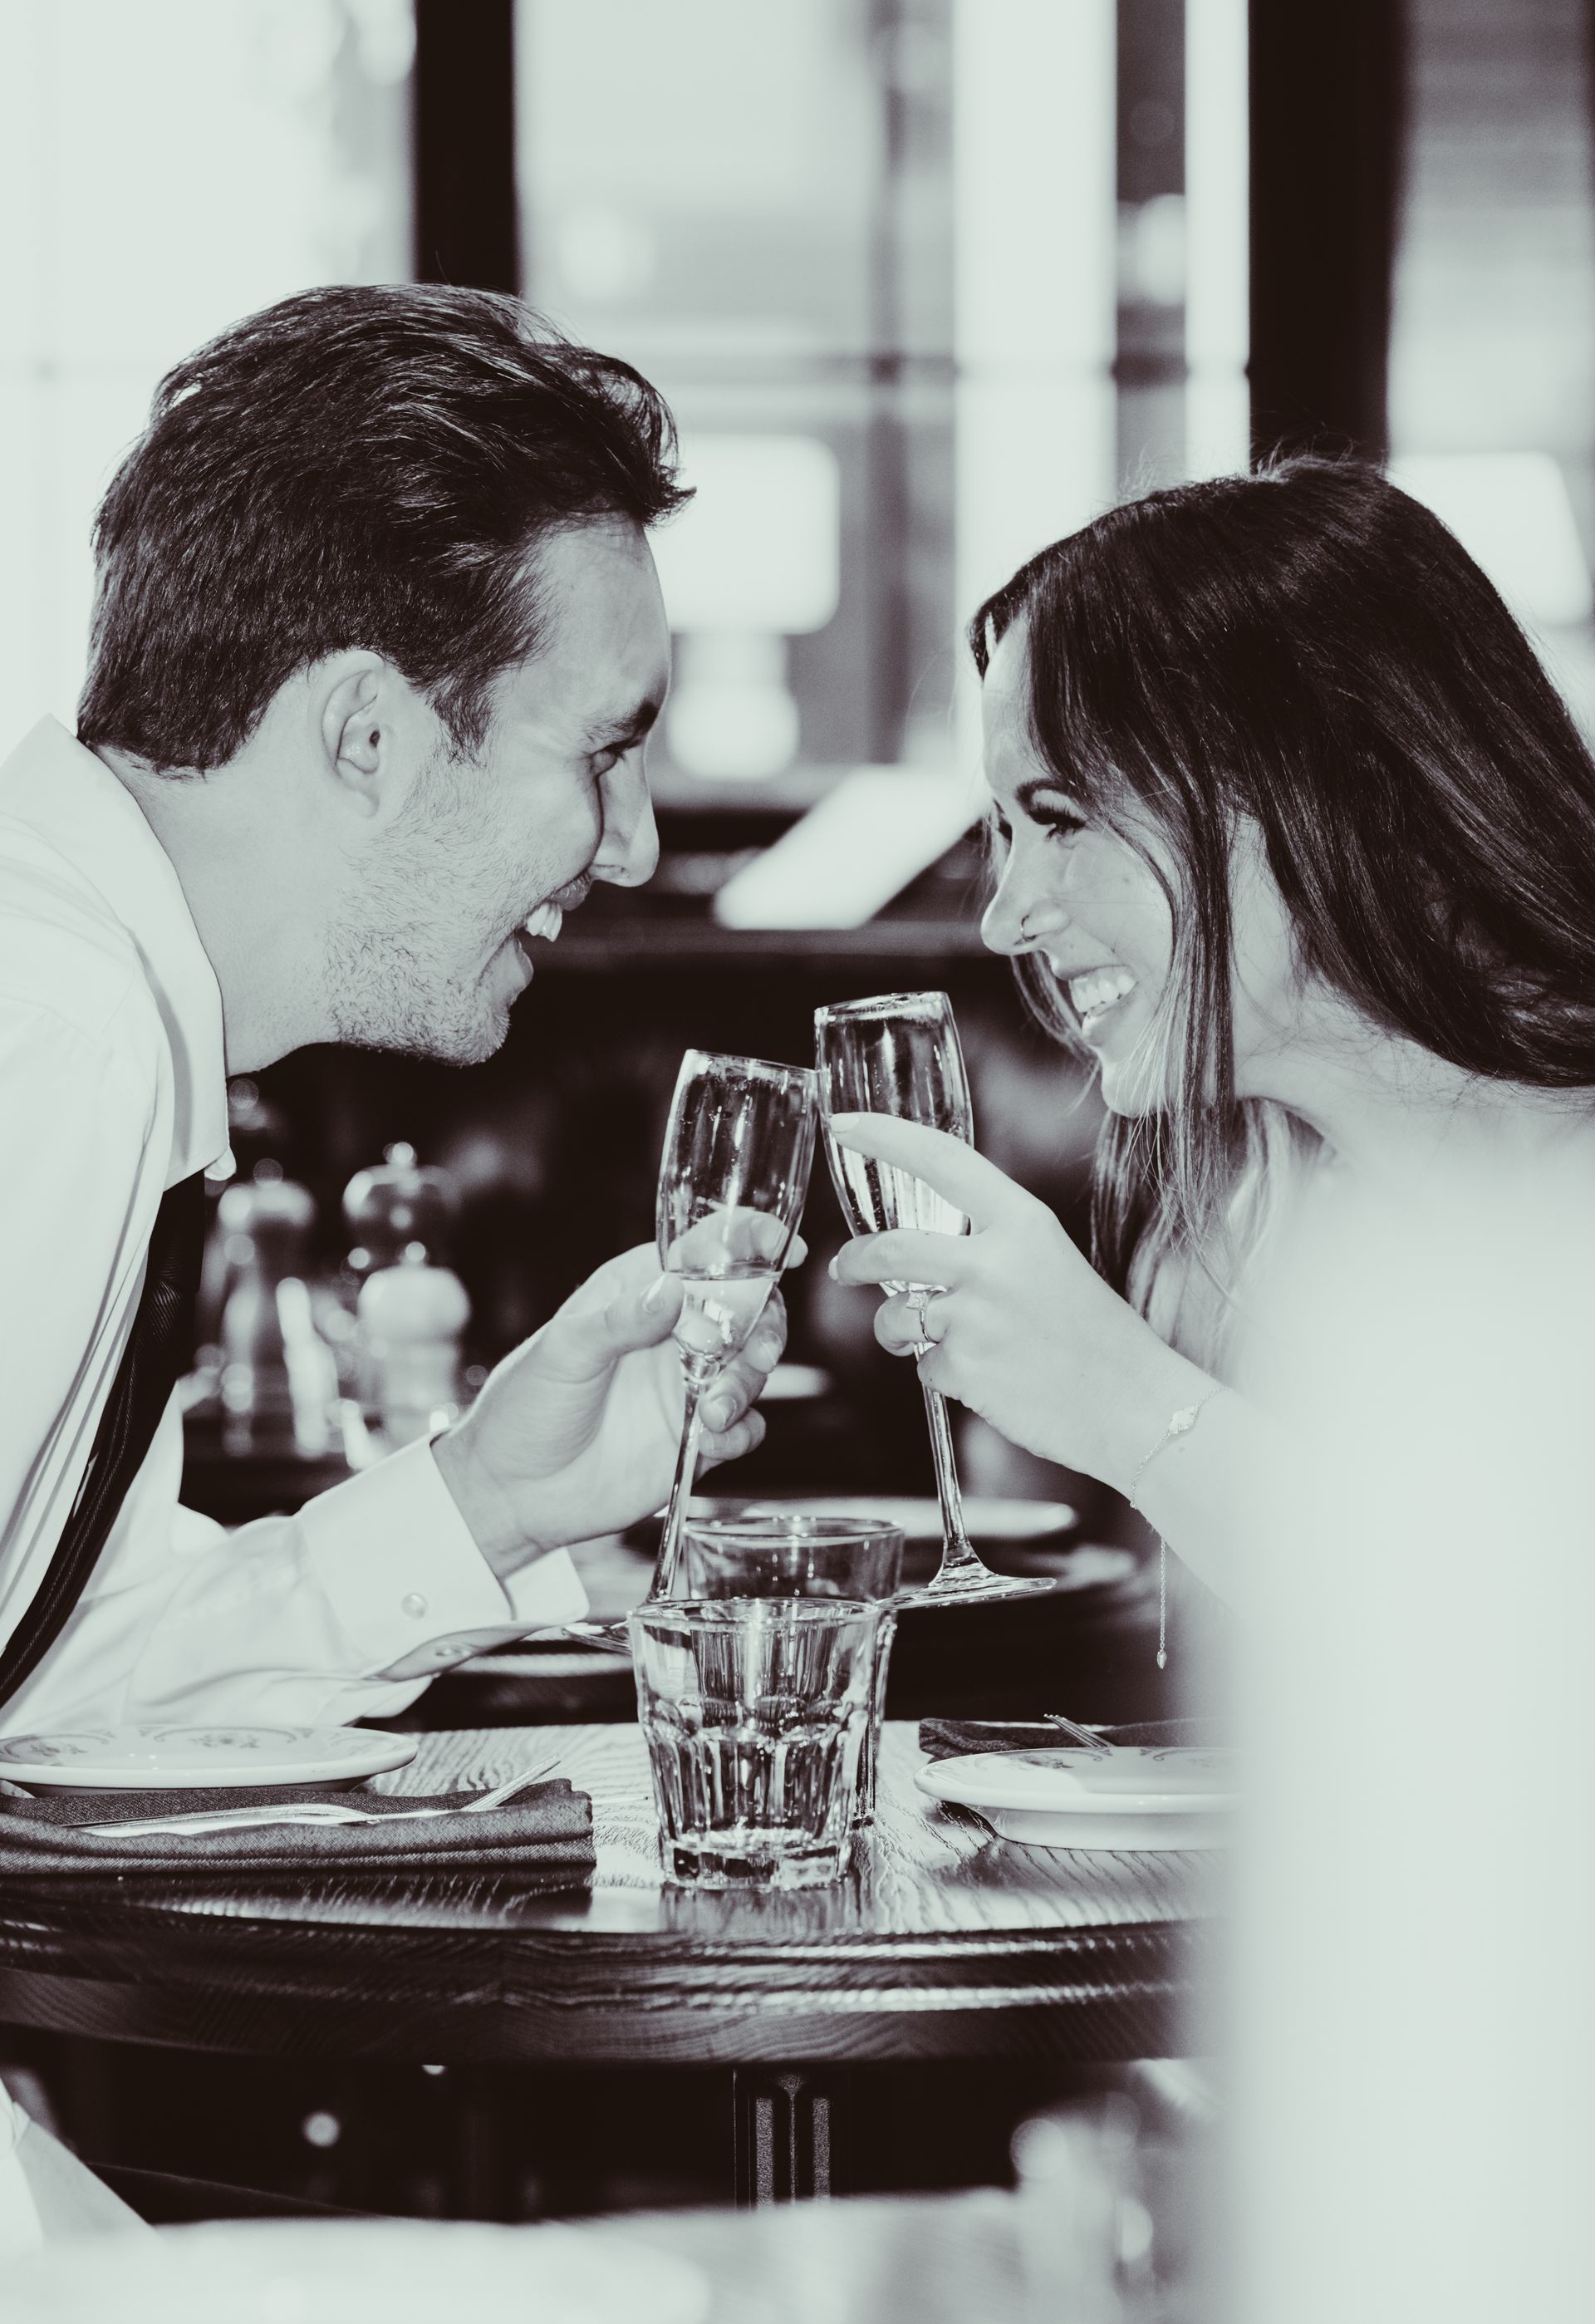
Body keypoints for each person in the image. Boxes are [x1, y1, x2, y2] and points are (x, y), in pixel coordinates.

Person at [0, 283, 788, 1745]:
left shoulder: (101, 1017)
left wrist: (495, 1494)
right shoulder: (55, 1030)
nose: (635, 848)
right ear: (369, 737)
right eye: (603, 752)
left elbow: (49, 1689)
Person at [829, 456, 1595, 1607]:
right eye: (1005, 831)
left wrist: (1130, 1404)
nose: (1005, 917)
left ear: (1325, 787)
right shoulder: (1240, 1227)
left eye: (1064, 816)